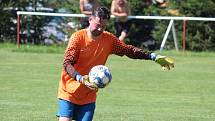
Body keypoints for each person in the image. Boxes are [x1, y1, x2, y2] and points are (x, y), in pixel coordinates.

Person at [57, 6, 174, 121]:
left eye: (103, 26)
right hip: (69, 91)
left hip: (89, 94)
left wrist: (153, 56)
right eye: (98, 25)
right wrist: (81, 79)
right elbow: (67, 64)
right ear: (90, 19)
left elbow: (129, 50)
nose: (100, 29)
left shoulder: (109, 40)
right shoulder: (77, 38)